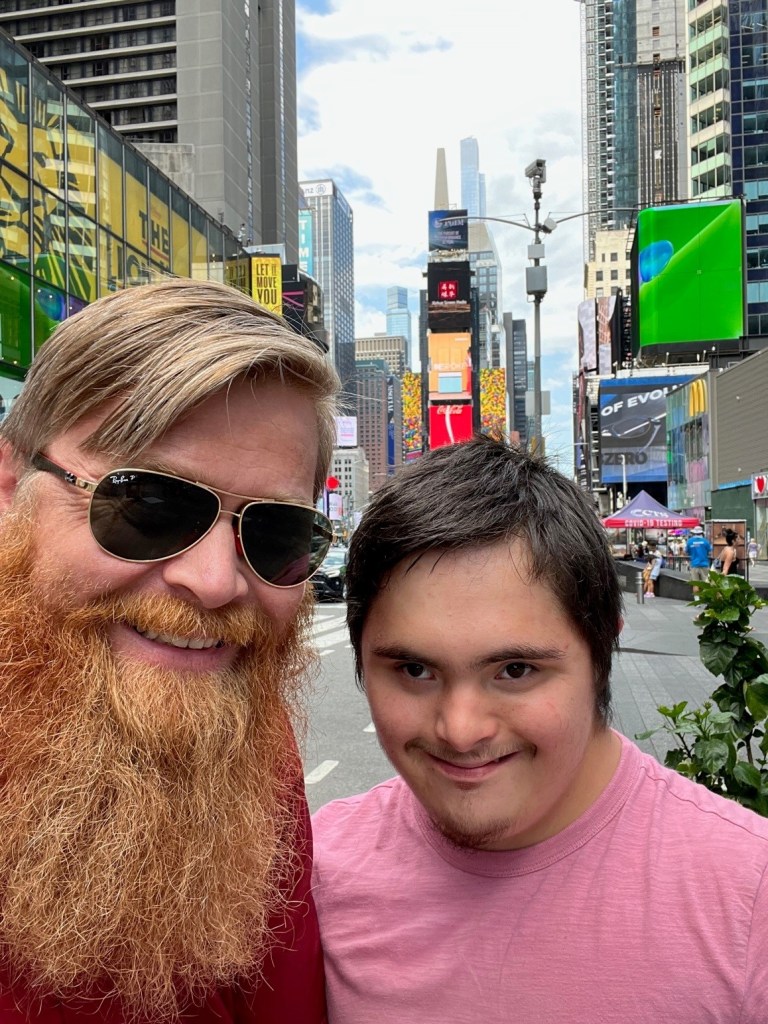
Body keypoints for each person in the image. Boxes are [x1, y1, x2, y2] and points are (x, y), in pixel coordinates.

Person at [312, 436, 768, 1023]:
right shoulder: (310, 884)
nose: (461, 730)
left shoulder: (748, 900)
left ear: (602, 648)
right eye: (415, 670)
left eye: (515, 670)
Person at [0, 279, 340, 1022]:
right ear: (10, 484)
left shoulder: (247, 736)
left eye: (276, 532)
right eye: (149, 505)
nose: (216, 583)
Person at [685, 524, 712, 599]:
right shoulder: (705, 541)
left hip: (694, 564)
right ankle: (707, 599)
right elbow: (709, 551)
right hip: (704, 564)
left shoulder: (689, 542)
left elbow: (687, 552)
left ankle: (697, 600)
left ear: (694, 533)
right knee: (706, 583)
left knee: (695, 583)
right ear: (701, 533)